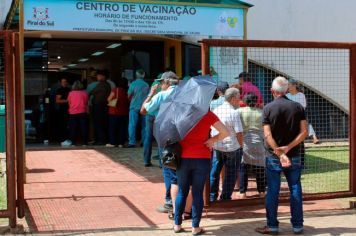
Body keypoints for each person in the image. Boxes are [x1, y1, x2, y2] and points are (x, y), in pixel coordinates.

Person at [256, 76, 308, 235]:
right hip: (294, 154)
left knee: (272, 190)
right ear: (286, 90)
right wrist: (288, 148)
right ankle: (297, 225)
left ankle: (272, 225)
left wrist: (278, 151)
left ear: (272, 91)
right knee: (295, 188)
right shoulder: (298, 107)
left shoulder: (268, 108)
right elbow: (304, 132)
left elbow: (267, 135)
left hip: (274, 156)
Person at [173, 111, 229, 235]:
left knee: (182, 191)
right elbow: (225, 132)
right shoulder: (207, 114)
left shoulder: (180, 113)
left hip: (182, 156)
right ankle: (195, 227)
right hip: (202, 156)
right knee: (197, 193)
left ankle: (177, 224)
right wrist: (212, 140)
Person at [210, 88, 244, 201]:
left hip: (217, 145)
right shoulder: (234, 113)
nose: (239, 100)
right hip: (232, 147)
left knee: (214, 172)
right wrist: (241, 146)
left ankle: (211, 196)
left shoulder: (216, 110)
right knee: (231, 173)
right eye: (238, 98)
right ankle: (225, 197)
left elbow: (212, 129)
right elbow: (239, 133)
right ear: (233, 99)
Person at [238, 93, 267, 199]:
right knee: (260, 168)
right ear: (256, 101)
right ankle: (262, 192)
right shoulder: (262, 112)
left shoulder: (240, 111)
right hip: (259, 142)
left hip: (245, 142)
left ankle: (242, 192)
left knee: (243, 167)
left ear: (245, 101)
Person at [286, 79, 320, 144]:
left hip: (299, 114)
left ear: (294, 86)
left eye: (289, 85)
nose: (288, 87)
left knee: (305, 122)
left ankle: (314, 137)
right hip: (289, 115)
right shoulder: (287, 96)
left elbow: (303, 106)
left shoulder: (301, 95)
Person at [126, 69, 150, 148]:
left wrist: (131, 100)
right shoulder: (146, 85)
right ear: (143, 75)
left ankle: (132, 142)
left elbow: (129, 95)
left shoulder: (133, 84)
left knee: (132, 124)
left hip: (134, 106)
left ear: (136, 75)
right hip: (144, 107)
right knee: (144, 125)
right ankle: (144, 141)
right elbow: (149, 96)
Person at [90, 70, 111, 145]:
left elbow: (92, 92)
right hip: (104, 106)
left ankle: (100, 140)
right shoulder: (108, 84)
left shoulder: (101, 84)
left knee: (98, 123)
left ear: (103, 77)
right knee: (104, 123)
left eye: (98, 76)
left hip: (99, 106)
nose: (97, 77)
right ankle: (103, 139)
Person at [106, 79, 129, 148]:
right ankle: (121, 143)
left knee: (113, 128)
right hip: (124, 112)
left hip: (114, 112)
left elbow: (109, 99)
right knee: (122, 128)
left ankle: (113, 142)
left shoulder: (115, 90)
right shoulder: (127, 90)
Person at [67, 81, 89, 146]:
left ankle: (73, 142)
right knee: (84, 127)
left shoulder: (71, 93)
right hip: (82, 111)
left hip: (73, 112)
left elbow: (69, 103)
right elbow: (86, 103)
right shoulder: (85, 93)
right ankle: (85, 142)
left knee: (73, 127)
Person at [56, 78, 71, 146]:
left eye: (65, 82)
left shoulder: (69, 89)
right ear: (61, 83)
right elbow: (57, 101)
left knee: (68, 125)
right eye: (63, 82)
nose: (64, 83)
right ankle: (62, 140)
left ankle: (67, 139)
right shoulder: (60, 90)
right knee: (63, 125)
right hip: (62, 110)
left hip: (69, 109)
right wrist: (67, 101)